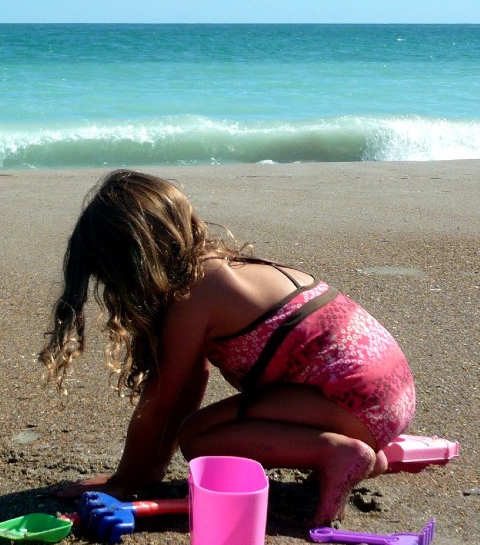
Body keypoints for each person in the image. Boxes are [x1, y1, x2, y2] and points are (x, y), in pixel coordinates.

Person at [39, 169, 415, 525]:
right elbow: (191, 379)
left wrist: (122, 482)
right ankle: (360, 450)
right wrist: (151, 471)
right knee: (200, 426)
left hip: (355, 399)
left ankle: (338, 452)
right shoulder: (220, 269)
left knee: (199, 438)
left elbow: (161, 399)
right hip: (386, 396)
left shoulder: (196, 293)